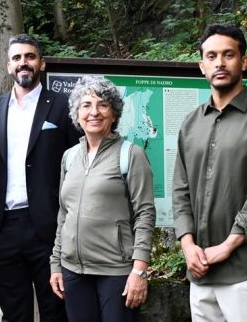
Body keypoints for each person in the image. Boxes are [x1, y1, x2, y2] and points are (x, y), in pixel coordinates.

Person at [172, 24, 247, 322]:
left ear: (243, 62)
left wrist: (226, 246)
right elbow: (180, 189)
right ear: (202, 66)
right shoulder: (191, 124)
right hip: (201, 270)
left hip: (245, 271)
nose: (220, 63)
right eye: (211, 56)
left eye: (228, 55)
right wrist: (188, 246)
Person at [0, 33, 81, 322]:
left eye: (30, 57)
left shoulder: (62, 106)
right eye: (17, 58)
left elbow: (78, 165)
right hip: (1, 228)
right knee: (14, 313)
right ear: (9, 66)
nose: (24, 63)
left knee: (55, 311)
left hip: (48, 229)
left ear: (42, 63)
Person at [49, 75, 155, 322]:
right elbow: (64, 213)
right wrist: (56, 263)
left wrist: (139, 270)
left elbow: (145, 214)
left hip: (115, 272)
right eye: (86, 105)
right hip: (73, 271)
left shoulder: (131, 155)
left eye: (102, 105)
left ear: (114, 114)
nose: (94, 112)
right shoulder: (70, 157)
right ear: (77, 114)